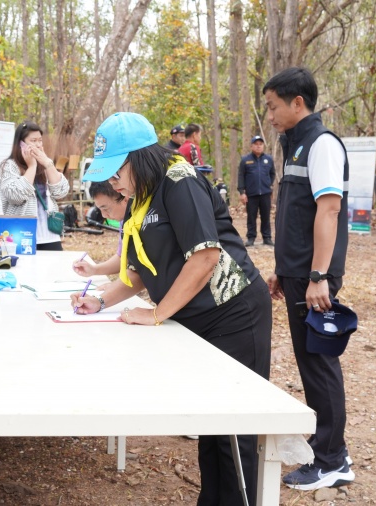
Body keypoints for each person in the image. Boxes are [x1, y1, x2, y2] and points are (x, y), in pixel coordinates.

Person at [73, 112, 272, 506]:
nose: (114, 182)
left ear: (139, 157)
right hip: (197, 319)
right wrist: (100, 300)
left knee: (235, 432)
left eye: (117, 172)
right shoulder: (141, 196)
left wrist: (157, 313)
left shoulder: (180, 181)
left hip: (233, 312)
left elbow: (205, 256)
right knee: (211, 425)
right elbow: (143, 270)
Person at [262, 67, 354, 490]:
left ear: (297, 103)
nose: (270, 115)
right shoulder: (295, 146)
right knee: (310, 361)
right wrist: (284, 270)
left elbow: (329, 210)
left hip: (314, 277)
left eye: (273, 106)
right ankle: (328, 448)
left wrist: (318, 276)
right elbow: (297, 216)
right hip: (298, 273)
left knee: (318, 363)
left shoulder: (322, 144)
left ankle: (332, 460)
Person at [0, 121, 69, 251]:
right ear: (21, 143)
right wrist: (31, 166)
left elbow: (61, 192)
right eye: (33, 141)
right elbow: (16, 196)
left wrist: (48, 164)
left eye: (40, 140)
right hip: (21, 234)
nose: (38, 145)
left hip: (50, 235)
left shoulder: (45, 164)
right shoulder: (9, 166)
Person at [71, 181, 128, 277]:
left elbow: (139, 271)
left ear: (125, 198)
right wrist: (93, 270)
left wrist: (116, 285)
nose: (104, 215)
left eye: (106, 209)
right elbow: (123, 258)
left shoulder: (147, 221)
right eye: (100, 209)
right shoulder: (124, 222)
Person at [237, 135, 276, 247]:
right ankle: (251, 237)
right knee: (251, 216)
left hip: (265, 193)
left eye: (260, 144)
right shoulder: (245, 160)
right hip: (251, 194)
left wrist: (268, 184)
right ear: (251, 146)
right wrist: (242, 192)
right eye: (256, 144)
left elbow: (272, 173)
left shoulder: (268, 159)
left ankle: (267, 237)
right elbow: (241, 176)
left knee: (266, 216)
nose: (258, 146)